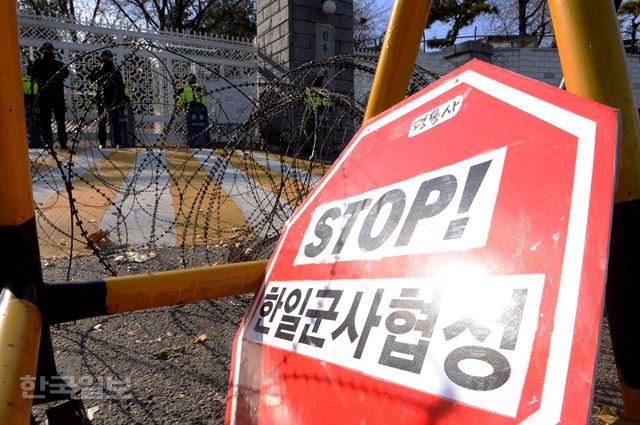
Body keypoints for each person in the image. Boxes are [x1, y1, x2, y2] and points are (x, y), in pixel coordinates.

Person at [32, 42, 69, 150]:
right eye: (46, 49)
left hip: (58, 95)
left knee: (60, 120)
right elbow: (34, 75)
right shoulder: (38, 63)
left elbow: (65, 73)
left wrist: (47, 74)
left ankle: (63, 141)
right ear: (42, 51)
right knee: (46, 120)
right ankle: (48, 141)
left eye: (50, 49)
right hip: (44, 95)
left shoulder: (59, 63)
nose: (48, 51)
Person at [88, 50, 128, 148]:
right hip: (102, 99)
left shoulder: (116, 71)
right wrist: (101, 69)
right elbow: (92, 79)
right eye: (105, 57)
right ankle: (102, 142)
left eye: (109, 57)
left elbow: (120, 85)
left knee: (115, 121)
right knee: (102, 121)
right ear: (102, 58)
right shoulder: (98, 69)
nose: (107, 58)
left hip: (114, 99)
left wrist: (124, 97)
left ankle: (117, 142)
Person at [177, 74, 210, 148]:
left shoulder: (199, 89)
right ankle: (193, 142)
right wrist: (184, 105)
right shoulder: (184, 89)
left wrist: (203, 93)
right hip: (190, 110)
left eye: (194, 79)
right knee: (192, 127)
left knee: (200, 127)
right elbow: (180, 99)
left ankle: (202, 142)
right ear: (188, 80)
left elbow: (204, 101)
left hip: (199, 110)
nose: (192, 81)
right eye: (191, 79)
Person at [22, 62, 43, 148]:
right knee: (29, 122)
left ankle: (36, 140)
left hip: (34, 100)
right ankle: (30, 141)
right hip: (28, 100)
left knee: (35, 122)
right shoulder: (24, 78)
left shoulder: (37, 79)